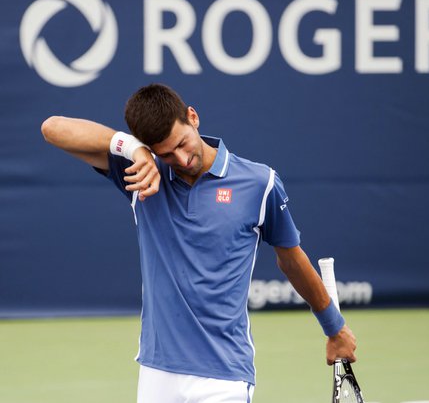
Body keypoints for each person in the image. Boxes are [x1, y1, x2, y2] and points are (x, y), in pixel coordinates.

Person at [41, 83, 356, 403]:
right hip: (156, 372)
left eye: (182, 143)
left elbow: (291, 260)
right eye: (166, 153)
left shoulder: (260, 183)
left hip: (224, 376)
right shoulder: (142, 174)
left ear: (193, 117)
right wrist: (134, 149)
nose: (181, 158)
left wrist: (335, 328)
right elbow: (53, 128)